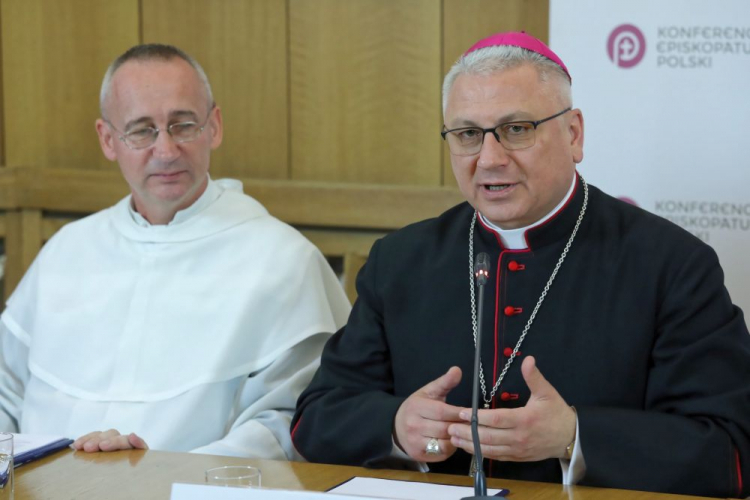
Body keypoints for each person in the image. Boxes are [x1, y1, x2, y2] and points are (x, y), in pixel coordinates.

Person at [291, 32, 750, 497]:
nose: (490, 159)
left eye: (517, 129)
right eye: (468, 134)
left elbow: (729, 454)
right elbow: (315, 418)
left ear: (573, 134)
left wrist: (575, 436)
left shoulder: (672, 265)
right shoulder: (401, 260)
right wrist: (395, 426)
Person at [0, 44, 350, 459]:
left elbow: (287, 423)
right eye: (141, 130)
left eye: (183, 125)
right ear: (108, 139)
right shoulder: (66, 251)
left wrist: (160, 477)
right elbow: (5, 390)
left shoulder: (282, 261)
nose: (165, 151)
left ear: (214, 126)